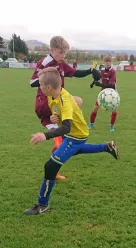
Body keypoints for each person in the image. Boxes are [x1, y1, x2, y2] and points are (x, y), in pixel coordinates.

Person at [24, 67, 119, 215]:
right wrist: (56, 117)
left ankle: (42, 205)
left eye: (41, 85)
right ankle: (107, 147)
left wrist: (46, 135)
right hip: (75, 134)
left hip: (76, 135)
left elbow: (67, 127)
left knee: (50, 166)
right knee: (74, 151)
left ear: (49, 87)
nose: (39, 88)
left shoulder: (64, 100)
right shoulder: (52, 94)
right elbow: (65, 111)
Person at [29, 35, 101, 181]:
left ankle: (54, 168)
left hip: (56, 104)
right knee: (67, 125)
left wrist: (90, 71)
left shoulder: (61, 63)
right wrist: (47, 76)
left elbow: (75, 73)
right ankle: (69, 132)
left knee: (77, 104)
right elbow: (32, 82)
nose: (63, 56)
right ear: (52, 50)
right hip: (45, 102)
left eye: (65, 53)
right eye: (61, 52)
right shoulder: (46, 62)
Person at [89, 55, 118, 131]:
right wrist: (93, 83)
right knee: (95, 108)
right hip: (103, 92)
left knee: (114, 110)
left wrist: (100, 84)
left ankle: (111, 126)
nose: (107, 63)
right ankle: (91, 124)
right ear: (104, 62)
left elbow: (111, 84)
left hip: (112, 92)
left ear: (111, 62)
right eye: (106, 61)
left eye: (109, 61)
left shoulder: (113, 71)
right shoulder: (102, 70)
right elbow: (98, 78)